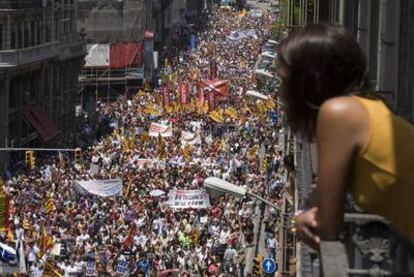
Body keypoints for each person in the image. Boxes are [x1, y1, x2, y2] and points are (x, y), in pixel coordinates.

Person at [278, 24, 414, 248]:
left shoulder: (338, 114)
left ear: (310, 80)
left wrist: (299, 220)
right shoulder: (366, 107)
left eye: (287, 81)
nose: (282, 92)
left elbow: (327, 228)